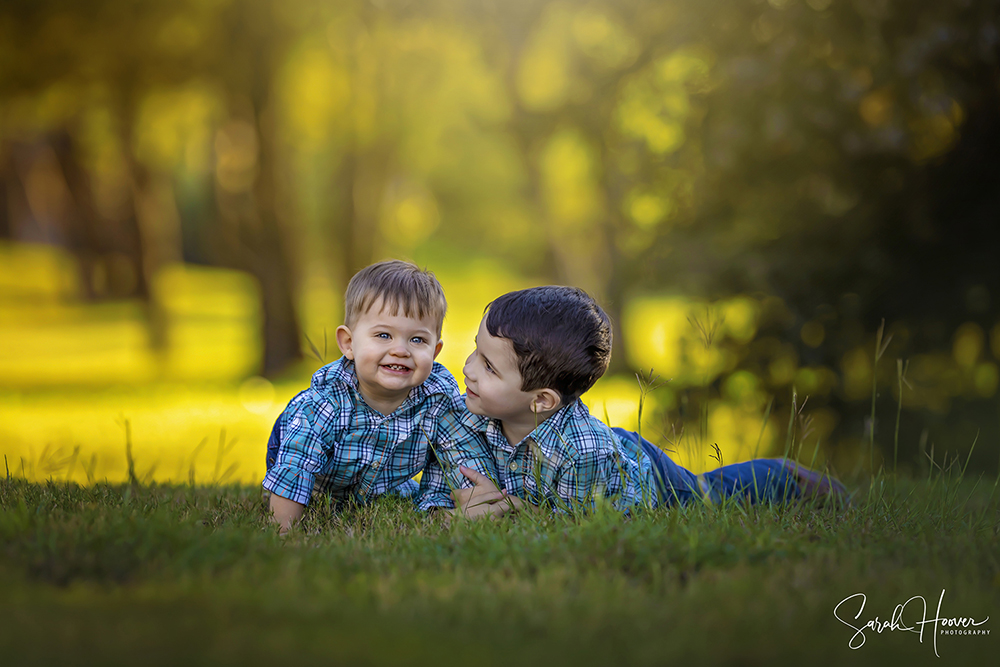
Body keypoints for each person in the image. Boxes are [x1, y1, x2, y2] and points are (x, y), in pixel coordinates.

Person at [416, 286, 849, 518]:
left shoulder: (582, 455)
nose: (468, 368)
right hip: (609, 449)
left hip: (646, 481)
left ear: (541, 400)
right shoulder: (462, 414)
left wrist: (515, 513)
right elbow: (441, 489)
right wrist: (450, 513)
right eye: (476, 350)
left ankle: (786, 477)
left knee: (708, 496)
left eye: (490, 367)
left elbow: (585, 532)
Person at [263, 259, 490, 533]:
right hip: (307, 464)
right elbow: (295, 468)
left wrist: (458, 504)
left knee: (402, 489)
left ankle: (381, 492)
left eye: (417, 340)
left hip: (381, 475)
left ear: (435, 351)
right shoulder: (323, 403)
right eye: (383, 335)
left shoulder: (439, 400)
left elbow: (460, 455)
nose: (400, 350)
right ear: (349, 343)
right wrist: (283, 532)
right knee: (304, 484)